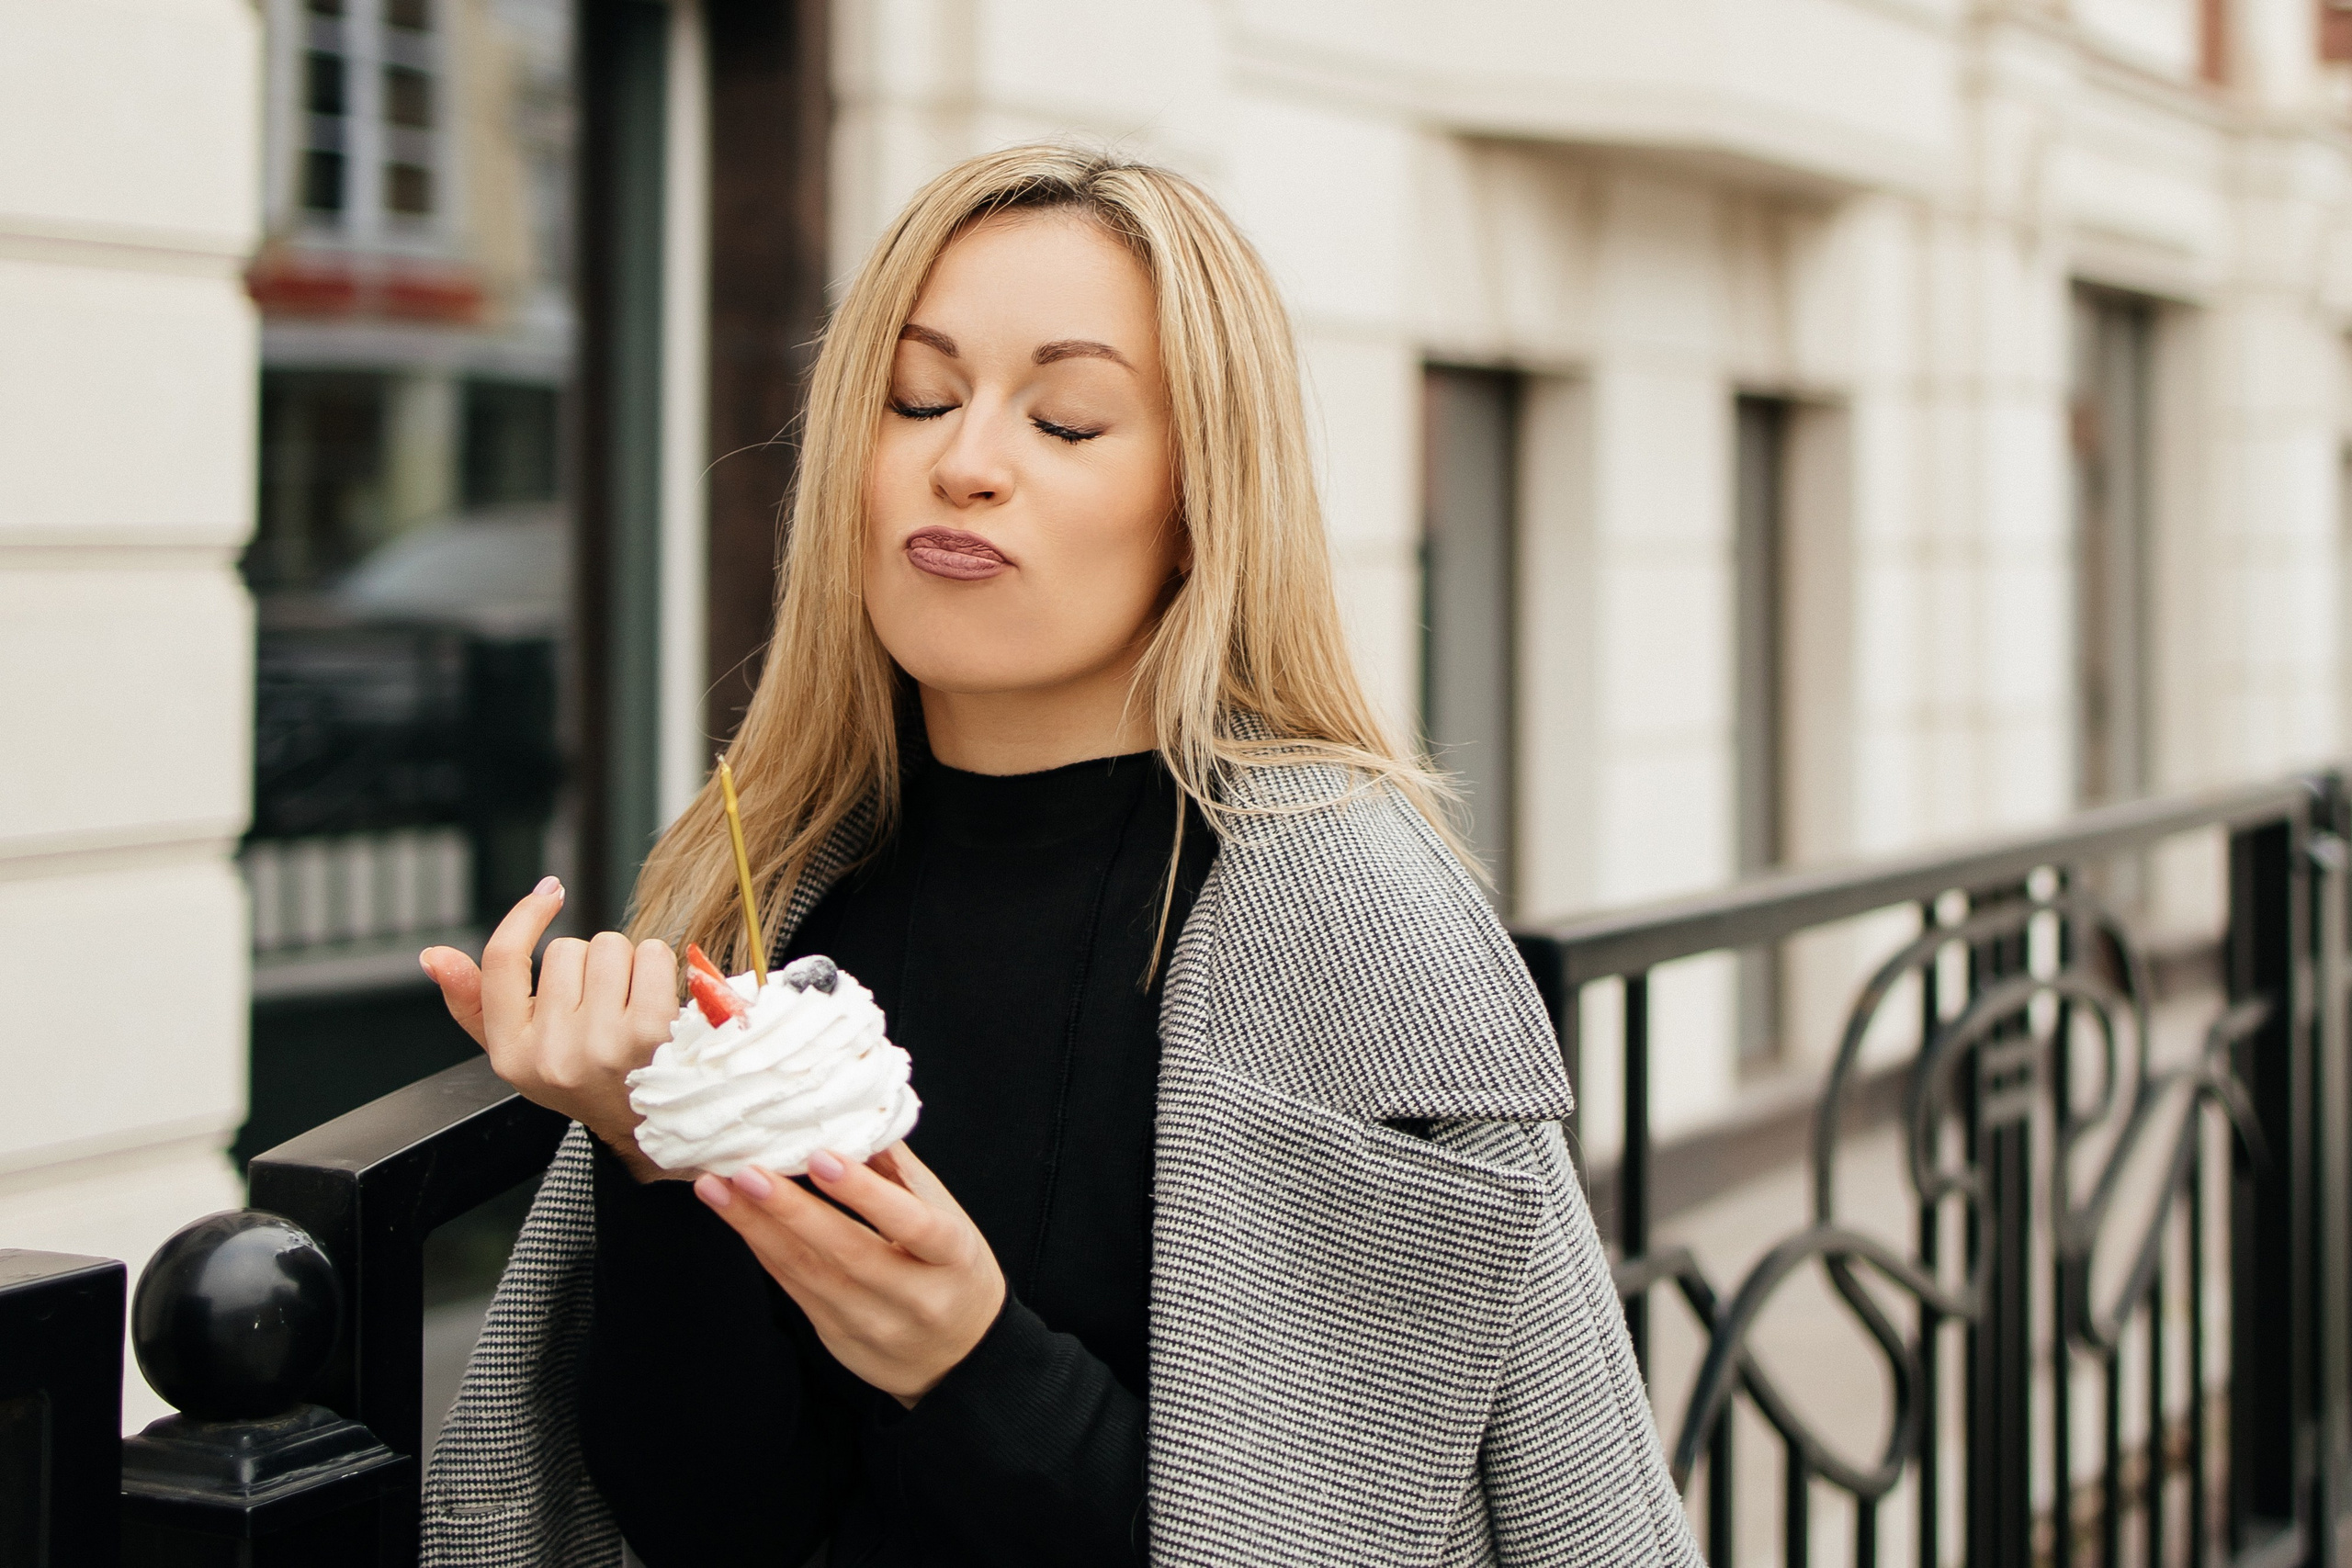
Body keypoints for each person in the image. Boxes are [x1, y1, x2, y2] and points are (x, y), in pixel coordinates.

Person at [415, 144, 1700, 1568]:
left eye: (1070, 420)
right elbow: (709, 1521)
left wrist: (972, 1365)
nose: (965, 464)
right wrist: (652, 1160)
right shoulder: (764, 895)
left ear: (1203, 498)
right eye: (917, 399)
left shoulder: (1351, 933)